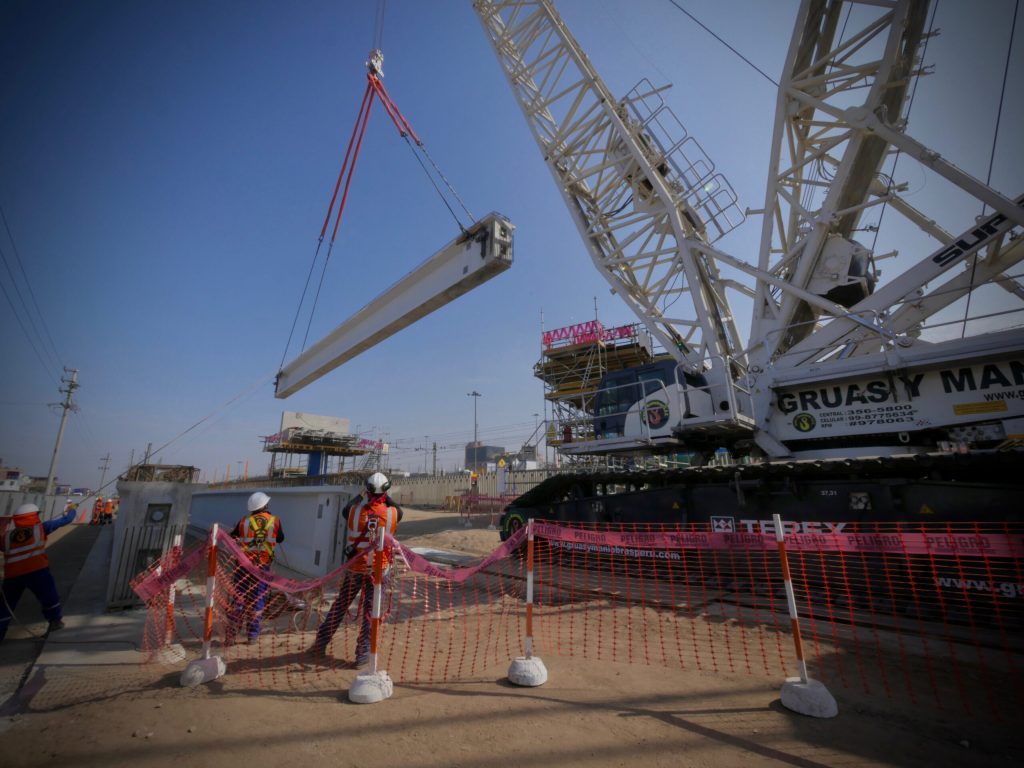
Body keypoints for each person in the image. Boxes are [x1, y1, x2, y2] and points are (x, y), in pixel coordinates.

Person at [310, 472, 402, 665]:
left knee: (340, 606)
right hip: (378, 571)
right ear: (385, 491)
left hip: (355, 570)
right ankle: (362, 654)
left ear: (367, 490)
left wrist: (362, 493)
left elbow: (348, 507)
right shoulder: (392, 514)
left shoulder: (353, 512)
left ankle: (320, 643)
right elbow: (397, 509)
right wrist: (384, 493)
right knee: (371, 611)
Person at [0, 502, 77, 642]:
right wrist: (72, 510)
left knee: (5, 606)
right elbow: (66, 520)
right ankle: (55, 621)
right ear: (33, 516)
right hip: (37, 571)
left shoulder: (7, 536)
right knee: (49, 596)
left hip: (12, 576)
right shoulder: (41, 528)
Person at [226, 491, 284, 643]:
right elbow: (281, 538)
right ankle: (252, 635)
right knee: (258, 598)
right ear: (265, 505)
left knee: (239, 596)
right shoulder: (275, 521)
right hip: (262, 567)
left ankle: (231, 633)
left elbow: (233, 537)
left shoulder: (243, 521)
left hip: (243, 565)